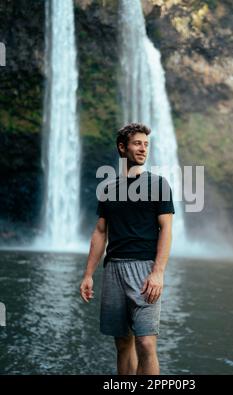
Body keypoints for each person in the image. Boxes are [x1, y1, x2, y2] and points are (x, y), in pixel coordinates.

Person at [80, 122, 175, 375]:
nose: (143, 148)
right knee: (123, 343)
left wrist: (158, 272)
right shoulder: (108, 188)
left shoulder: (158, 184)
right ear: (122, 147)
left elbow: (166, 229)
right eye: (137, 143)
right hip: (113, 270)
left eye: (146, 144)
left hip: (145, 270)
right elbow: (100, 232)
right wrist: (88, 274)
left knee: (145, 342)